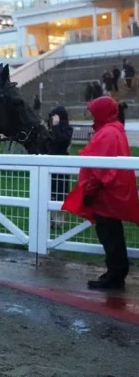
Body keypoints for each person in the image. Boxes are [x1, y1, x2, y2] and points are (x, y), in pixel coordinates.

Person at [62, 96, 139, 290]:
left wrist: (89, 191)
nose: (90, 115)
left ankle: (115, 276)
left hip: (105, 196)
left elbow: (100, 169)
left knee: (109, 234)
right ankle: (115, 272)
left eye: (93, 111)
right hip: (111, 193)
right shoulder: (113, 130)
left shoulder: (108, 133)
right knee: (112, 234)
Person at [48, 106, 73, 228]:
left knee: (61, 191)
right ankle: (52, 219)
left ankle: (60, 221)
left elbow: (61, 141)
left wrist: (56, 127)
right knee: (51, 191)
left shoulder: (67, 129)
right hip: (51, 162)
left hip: (62, 163)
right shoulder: (50, 128)